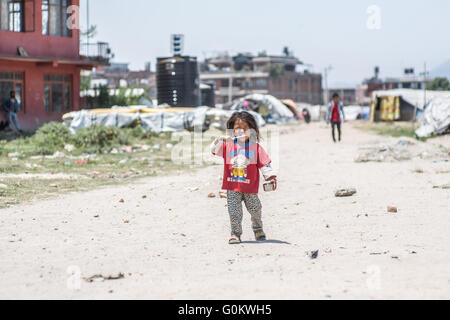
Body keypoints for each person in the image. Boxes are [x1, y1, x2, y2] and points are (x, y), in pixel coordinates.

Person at [211, 111, 277, 244]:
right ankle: (235, 233)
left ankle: (257, 227)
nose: (241, 131)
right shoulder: (227, 146)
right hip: (232, 187)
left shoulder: (255, 148)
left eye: (245, 128)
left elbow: (265, 164)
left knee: (255, 209)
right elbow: (213, 150)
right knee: (234, 211)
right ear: (232, 130)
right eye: (237, 128)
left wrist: (270, 177)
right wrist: (220, 139)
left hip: (250, 187)